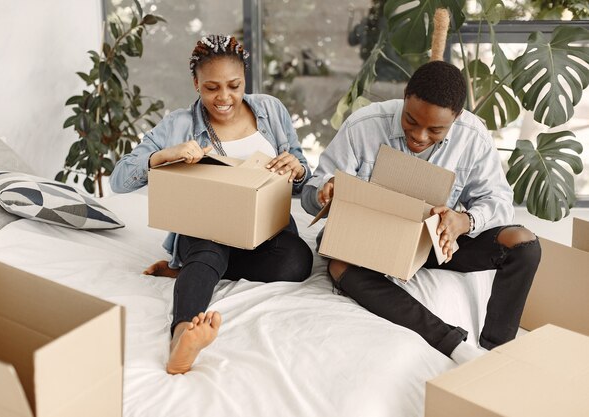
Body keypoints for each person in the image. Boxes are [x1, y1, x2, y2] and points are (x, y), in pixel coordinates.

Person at [301, 60, 541, 365]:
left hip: (437, 243)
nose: (420, 136)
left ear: (457, 117)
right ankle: (453, 344)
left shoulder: (473, 136)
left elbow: (499, 202)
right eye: (410, 120)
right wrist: (325, 191)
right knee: (338, 264)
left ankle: (496, 354)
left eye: (436, 130)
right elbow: (311, 195)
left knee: (523, 242)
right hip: (373, 241)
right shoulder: (363, 125)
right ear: (404, 96)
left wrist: (463, 221)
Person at [110, 34, 313, 374]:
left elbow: (302, 175)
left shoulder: (271, 110)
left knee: (298, 262)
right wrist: (165, 155)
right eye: (211, 88)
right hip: (207, 228)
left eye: (234, 85)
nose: (224, 98)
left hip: (263, 231)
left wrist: (297, 169)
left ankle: (190, 270)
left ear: (245, 78)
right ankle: (181, 338)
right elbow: (119, 178)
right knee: (208, 249)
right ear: (196, 84)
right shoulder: (179, 124)